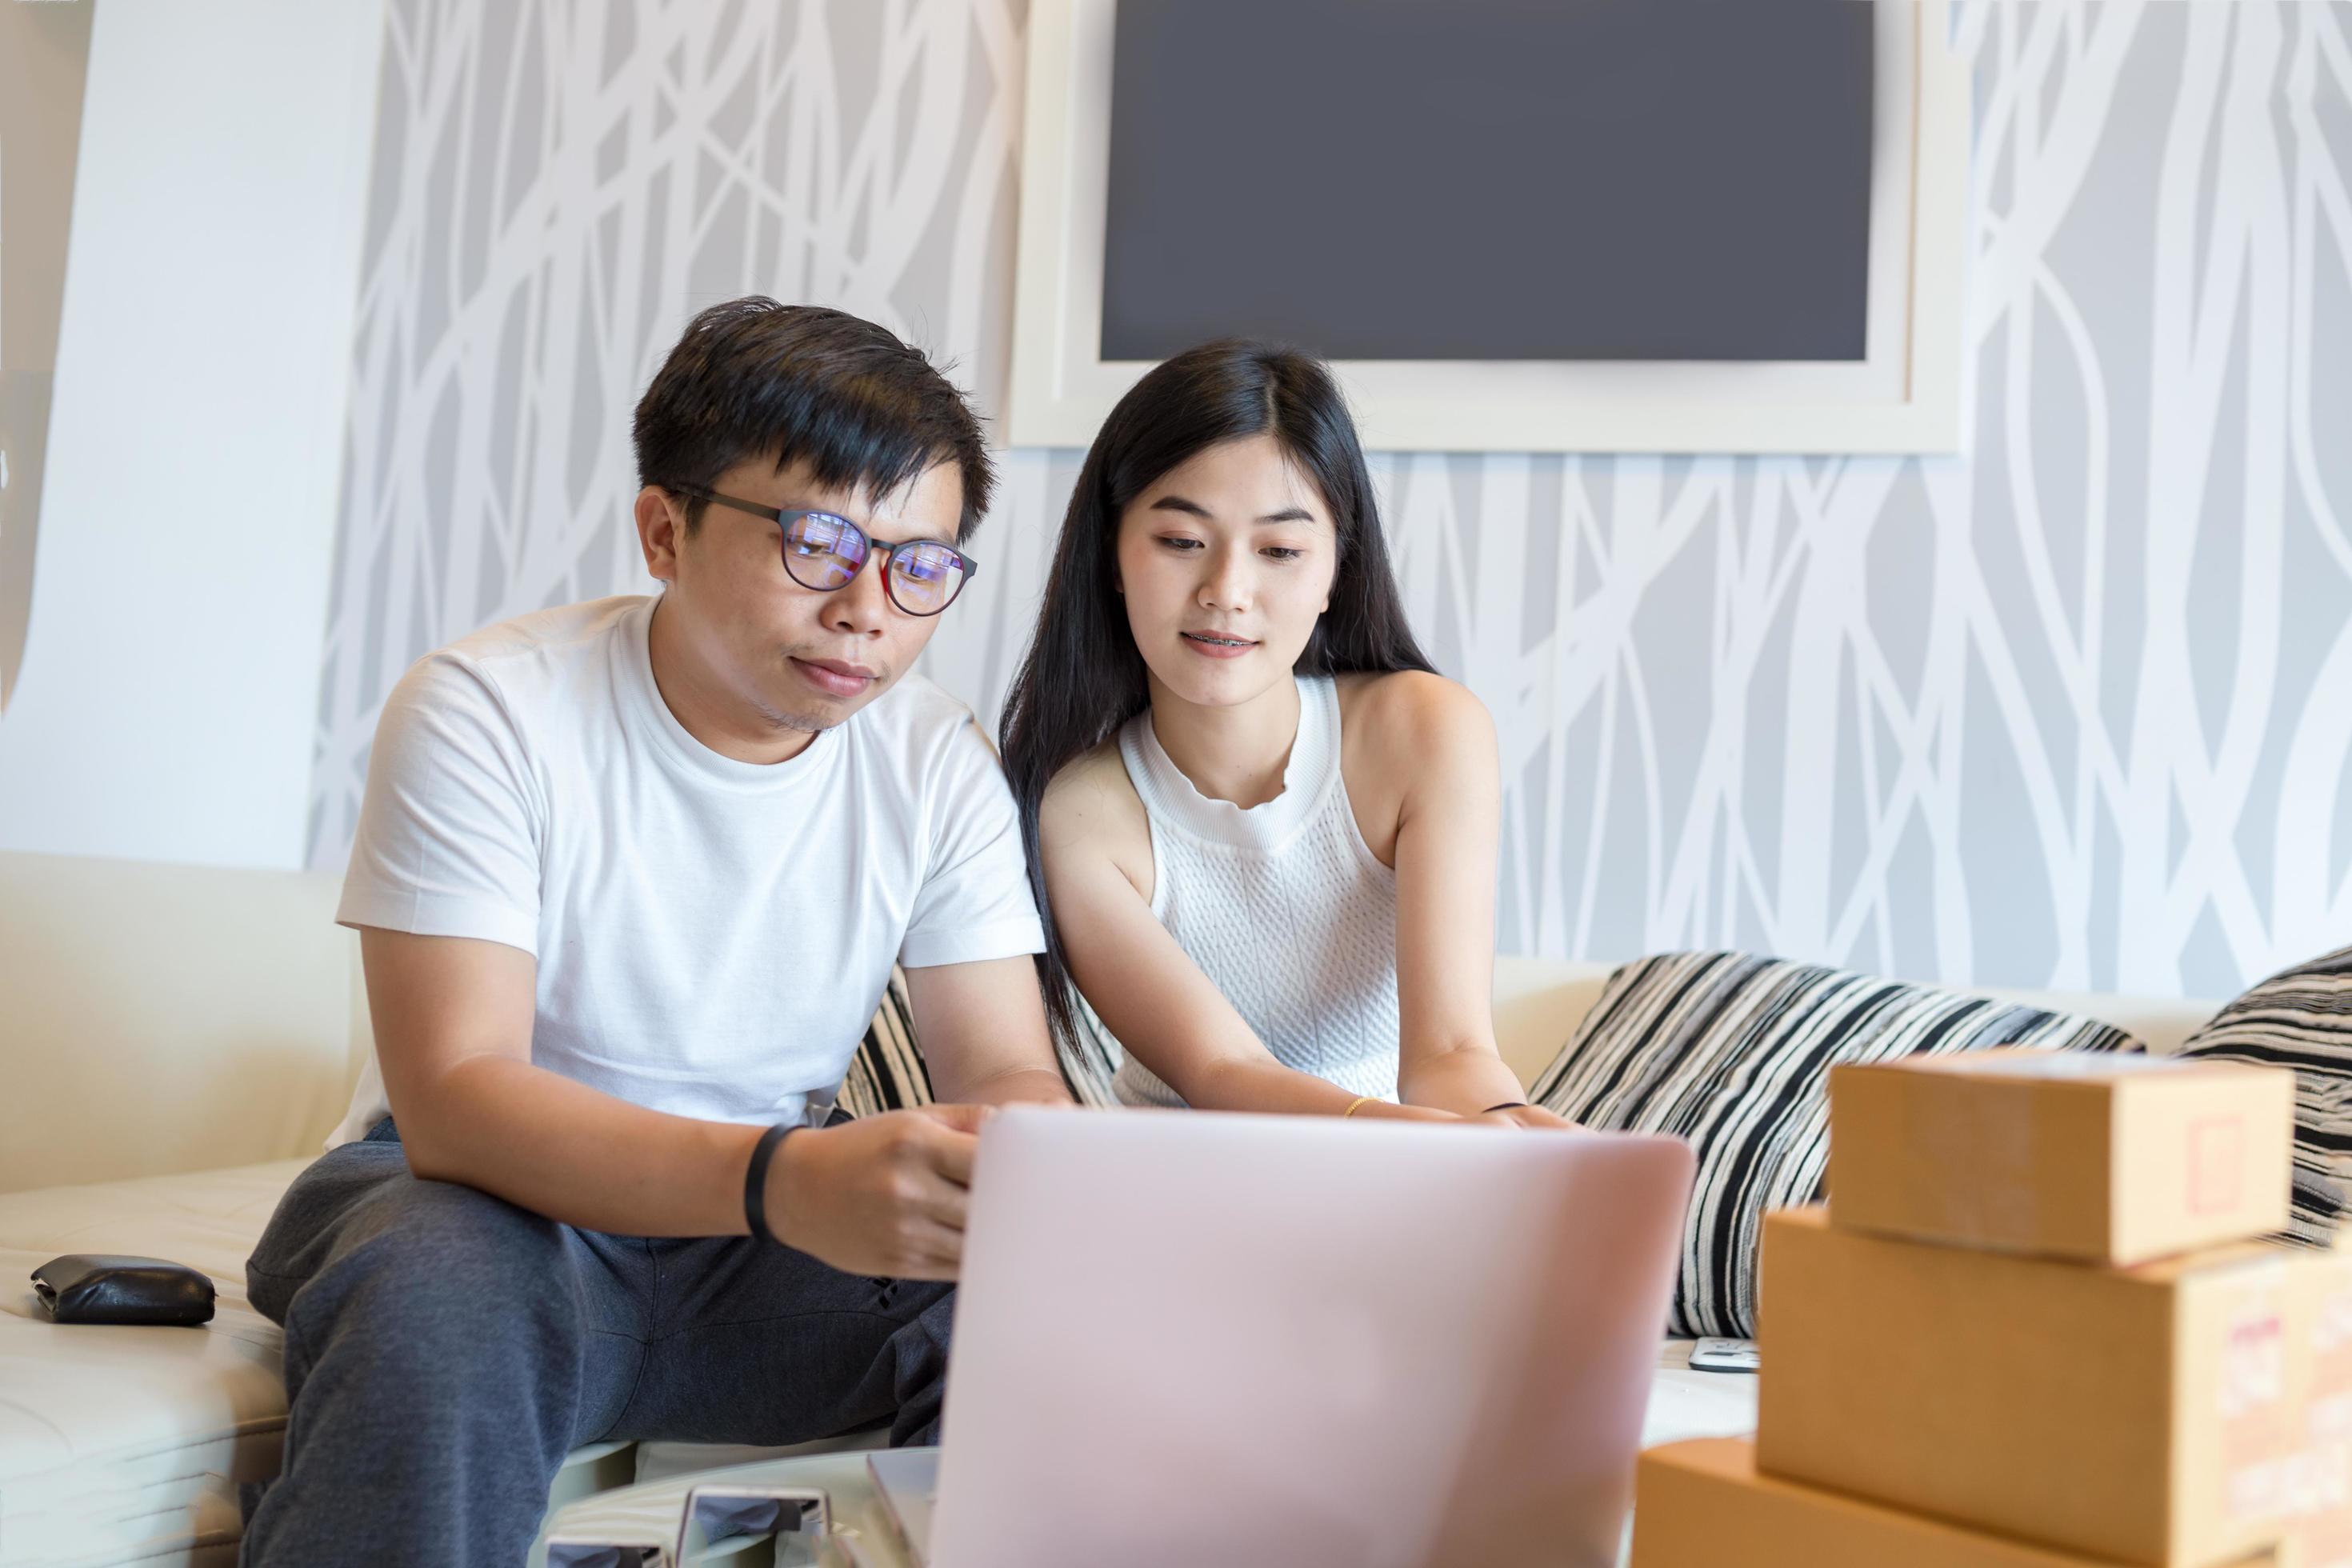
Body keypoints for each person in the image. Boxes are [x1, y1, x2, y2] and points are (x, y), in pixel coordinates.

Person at [240, 299, 1072, 1567]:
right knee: (438, 1290)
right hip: (490, 1213)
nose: (867, 608)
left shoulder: (932, 761)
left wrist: (1015, 1181)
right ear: (665, 530)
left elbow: (1004, 1073)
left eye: (918, 563)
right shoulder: (489, 709)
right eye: (818, 541)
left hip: (762, 1264)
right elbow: (460, 1099)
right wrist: (785, 1179)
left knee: (1048, 1302)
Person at [1000, 340, 1571, 1129]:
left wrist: (1507, 1128)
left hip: (1401, 1175)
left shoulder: (1427, 732)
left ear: (1337, 567)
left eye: (1280, 550)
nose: (1226, 591)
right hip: (1184, 1184)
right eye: (1180, 541)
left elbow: (1451, 1054)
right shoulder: (1078, 813)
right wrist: (1423, 1145)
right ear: (1113, 556)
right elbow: (1225, 1072)